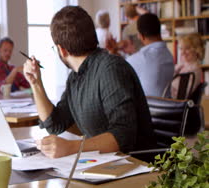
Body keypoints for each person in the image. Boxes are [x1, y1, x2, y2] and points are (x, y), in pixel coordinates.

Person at [23, 6, 156, 159]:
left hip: (136, 167)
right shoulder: (75, 77)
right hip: (106, 163)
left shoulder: (111, 69)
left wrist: (72, 147)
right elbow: (54, 124)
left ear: (62, 50)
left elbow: (123, 135)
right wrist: (36, 83)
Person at [126, 13, 174, 97]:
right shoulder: (168, 54)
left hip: (150, 107)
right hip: (167, 106)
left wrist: (113, 51)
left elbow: (118, 69)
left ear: (141, 36)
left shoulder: (141, 58)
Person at [170, 33, 205, 99]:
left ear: (197, 50)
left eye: (187, 49)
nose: (182, 52)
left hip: (173, 104)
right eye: (181, 49)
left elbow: (180, 96)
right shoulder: (182, 65)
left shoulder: (193, 70)